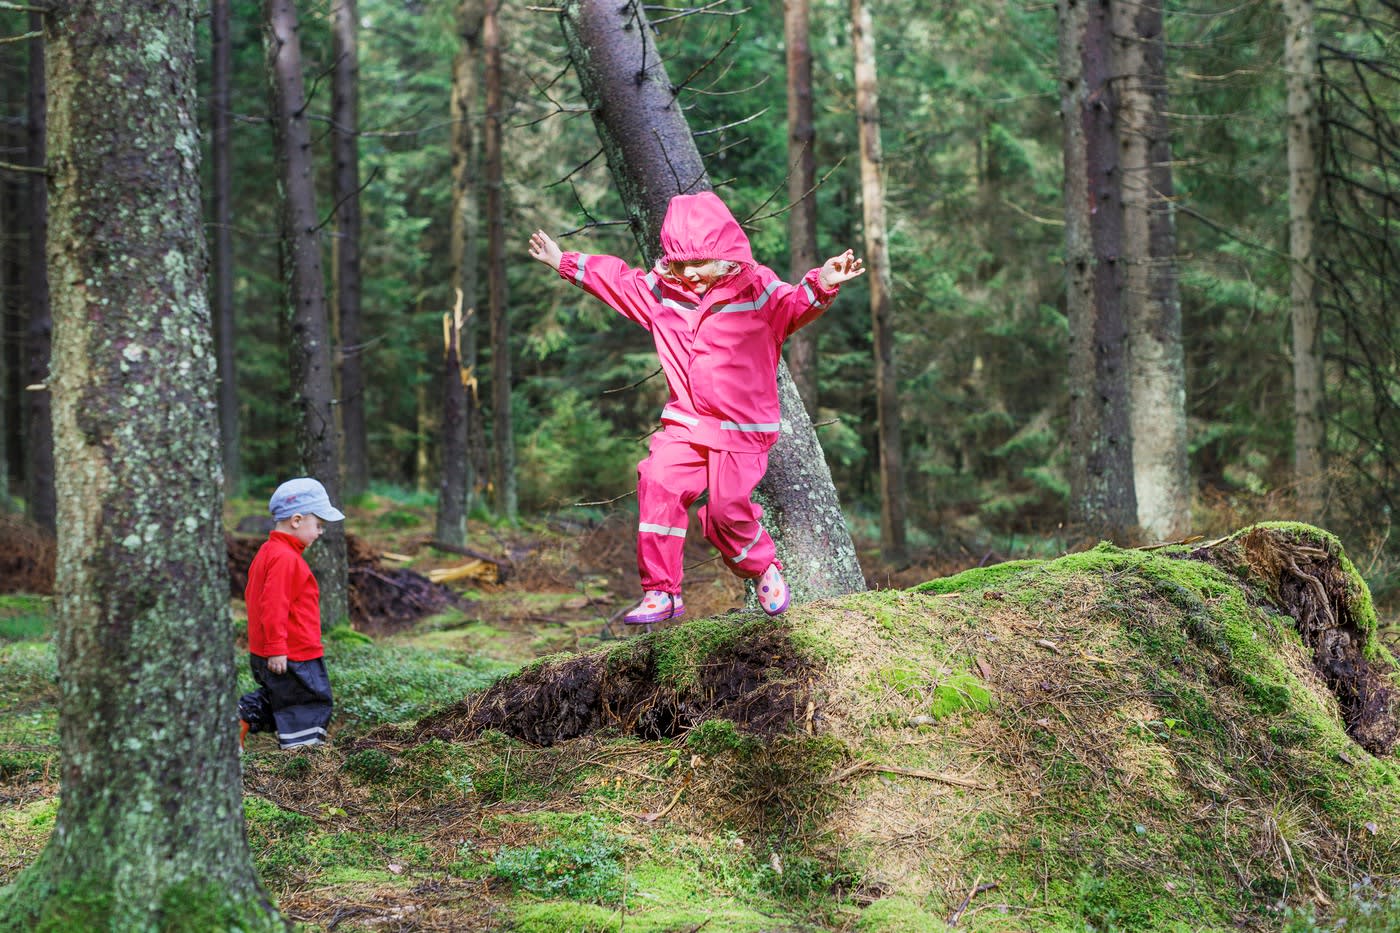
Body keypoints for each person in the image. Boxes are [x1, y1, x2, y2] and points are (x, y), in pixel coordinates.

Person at [528, 191, 864, 624]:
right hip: (687, 423)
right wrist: (565, 262)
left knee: (726, 515)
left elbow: (792, 305)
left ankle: (760, 566)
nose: (690, 276)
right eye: (680, 265)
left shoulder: (758, 290)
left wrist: (822, 284)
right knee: (657, 480)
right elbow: (617, 280)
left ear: (725, 257)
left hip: (742, 429)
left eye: (698, 265)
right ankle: (662, 592)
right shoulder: (662, 293)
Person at [238, 477, 345, 750]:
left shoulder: (269, 551)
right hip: (294, 653)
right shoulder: (285, 558)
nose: (320, 532)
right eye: (318, 525)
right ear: (296, 520)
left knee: (280, 698)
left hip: (274, 650)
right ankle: (303, 758)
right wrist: (277, 647)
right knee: (310, 702)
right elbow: (272, 605)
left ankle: (238, 720)